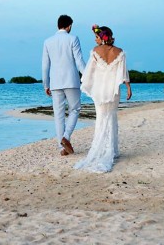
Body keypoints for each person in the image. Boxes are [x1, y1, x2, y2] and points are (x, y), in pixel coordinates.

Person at [74, 24, 132, 173]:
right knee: (111, 117)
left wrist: (88, 85)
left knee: (101, 118)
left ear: (102, 38)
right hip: (113, 90)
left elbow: (89, 72)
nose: (95, 40)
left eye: (96, 37)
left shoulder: (95, 51)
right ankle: (111, 150)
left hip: (99, 89)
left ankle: (106, 150)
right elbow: (123, 73)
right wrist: (129, 88)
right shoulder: (120, 52)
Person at [42, 15, 87, 156]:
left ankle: (61, 148)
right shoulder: (73, 38)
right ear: (69, 26)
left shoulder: (48, 41)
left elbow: (45, 66)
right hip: (71, 80)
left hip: (55, 82)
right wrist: (87, 77)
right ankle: (66, 138)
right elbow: (79, 62)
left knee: (58, 115)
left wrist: (46, 84)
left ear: (58, 25)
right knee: (75, 109)